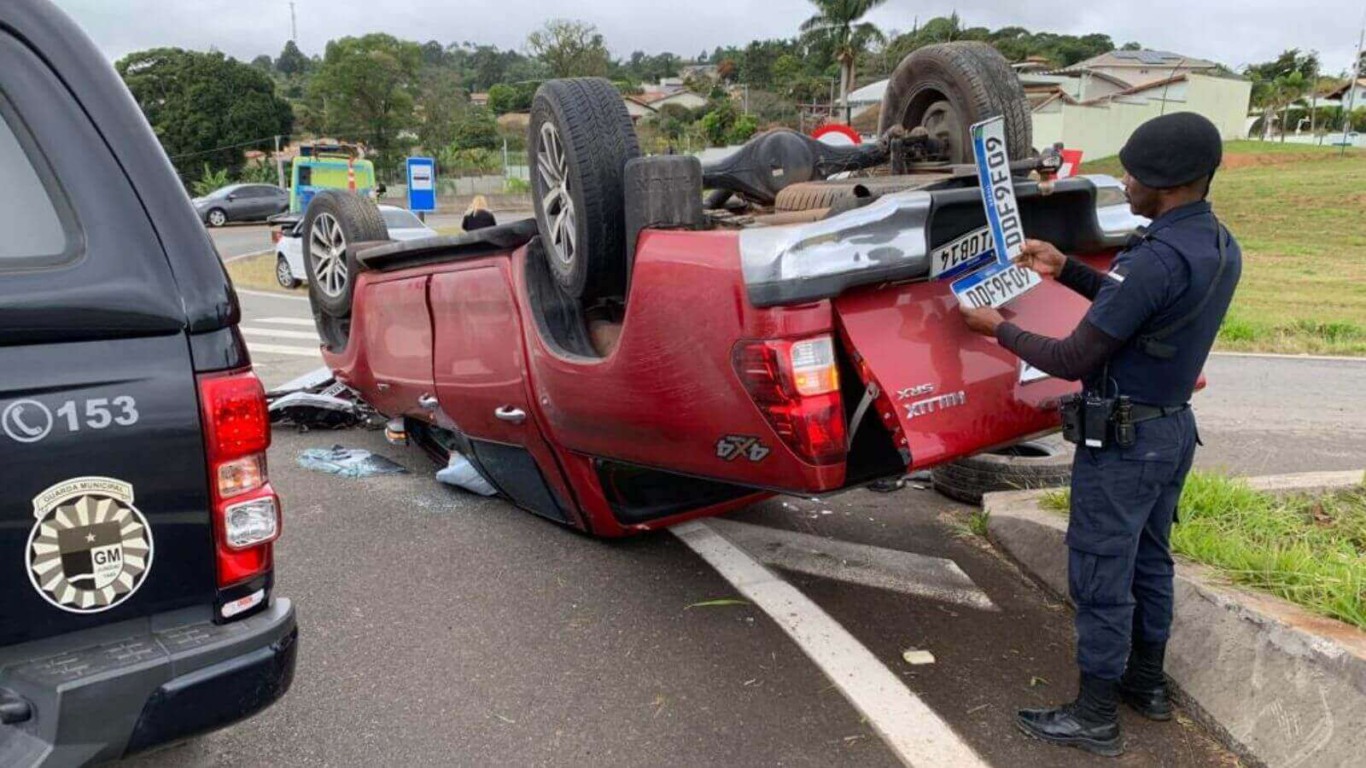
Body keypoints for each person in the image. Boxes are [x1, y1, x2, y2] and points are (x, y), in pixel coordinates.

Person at [960, 112, 1242, 757]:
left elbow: (1070, 359)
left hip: (1122, 443)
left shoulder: (1156, 258)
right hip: (1170, 431)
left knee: (1100, 573)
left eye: (1133, 175)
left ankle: (1094, 716)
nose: (1125, 182)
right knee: (1150, 561)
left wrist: (994, 329)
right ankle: (1145, 686)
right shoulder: (1217, 244)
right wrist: (1066, 269)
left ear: (1164, 184)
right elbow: (1138, 311)